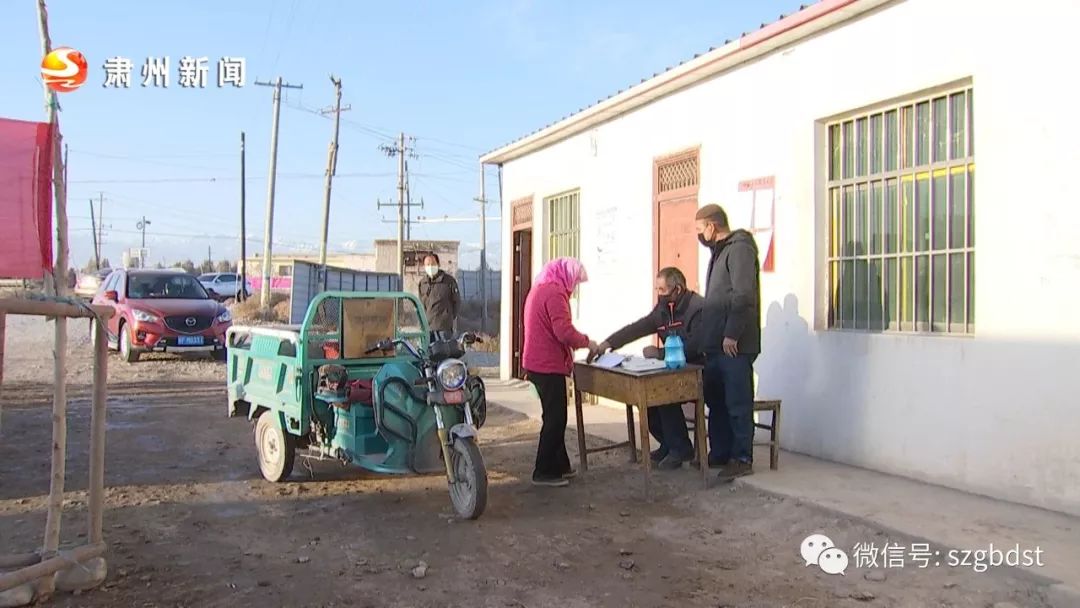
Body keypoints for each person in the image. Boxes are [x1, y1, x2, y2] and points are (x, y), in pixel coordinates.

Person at [591, 267, 705, 470]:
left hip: (699, 370)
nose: (659, 295)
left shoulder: (697, 308)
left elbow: (697, 345)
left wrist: (660, 354)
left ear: (677, 290)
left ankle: (681, 449)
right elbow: (638, 327)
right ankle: (668, 444)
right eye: (657, 289)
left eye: (662, 290)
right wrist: (608, 343)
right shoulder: (662, 311)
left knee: (664, 394)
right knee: (649, 397)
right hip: (672, 371)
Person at [695, 203, 762, 481]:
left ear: (712, 226)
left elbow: (743, 295)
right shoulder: (719, 252)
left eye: (700, 229)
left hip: (734, 345)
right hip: (715, 345)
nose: (699, 235)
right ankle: (720, 452)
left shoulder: (740, 249)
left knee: (737, 403)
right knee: (717, 403)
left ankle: (742, 457)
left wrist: (732, 332)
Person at [522, 257, 598, 487]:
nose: (574, 289)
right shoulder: (555, 294)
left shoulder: (539, 289)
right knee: (556, 419)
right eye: (574, 283)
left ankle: (560, 464)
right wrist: (587, 342)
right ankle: (543, 470)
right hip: (548, 365)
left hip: (536, 363)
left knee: (553, 416)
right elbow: (563, 332)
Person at [417, 253, 460, 336]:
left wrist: (448, 317)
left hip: (444, 328)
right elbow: (421, 305)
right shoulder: (423, 283)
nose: (430, 267)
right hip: (428, 327)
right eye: (427, 264)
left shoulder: (449, 281)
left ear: (438, 264)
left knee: (444, 348)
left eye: (432, 264)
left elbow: (457, 302)